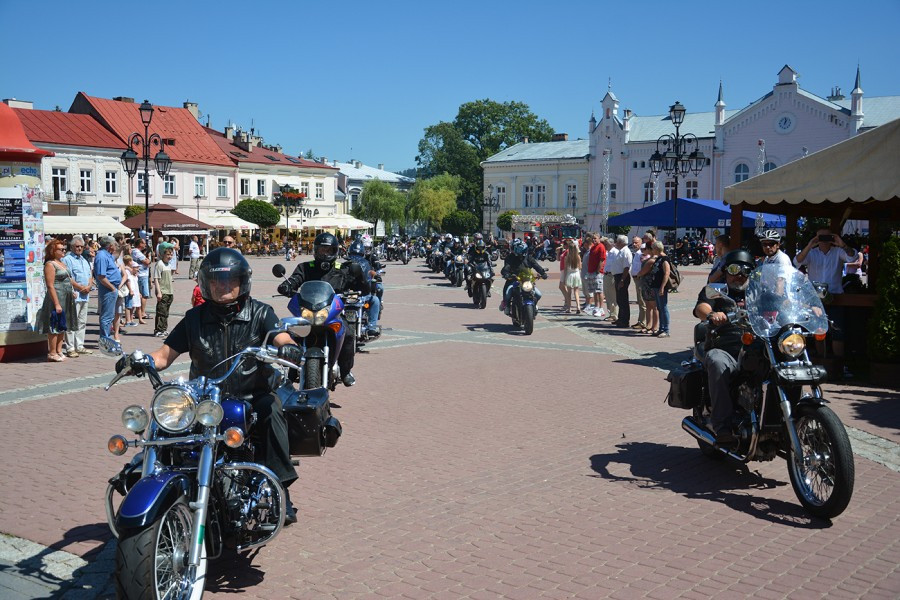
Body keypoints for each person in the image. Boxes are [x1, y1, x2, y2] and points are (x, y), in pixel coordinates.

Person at [128, 248, 302, 524]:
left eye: (229, 280)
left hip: (251, 394)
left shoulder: (260, 312)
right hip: (206, 399)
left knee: (272, 411)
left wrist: (288, 348)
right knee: (169, 425)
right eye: (216, 281)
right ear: (206, 284)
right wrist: (140, 360)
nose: (223, 286)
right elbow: (163, 356)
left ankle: (281, 490)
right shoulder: (194, 319)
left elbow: (281, 337)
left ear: (242, 282)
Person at [277, 232, 370, 387]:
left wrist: (360, 276)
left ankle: (345, 371)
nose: (325, 253)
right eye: (322, 250)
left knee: (348, 334)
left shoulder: (342, 269)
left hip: (332, 314)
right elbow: (295, 279)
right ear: (316, 250)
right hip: (307, 313)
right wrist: (287, 285)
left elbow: (362, 288)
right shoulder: (305, 267)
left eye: (329, 250)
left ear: (335, 251)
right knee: (291, 333)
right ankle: (292, 370)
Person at [693, 249, 755, 444]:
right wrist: (712, 315)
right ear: (726, 271)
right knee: (717, 363)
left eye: (745, 270)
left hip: (756, 347)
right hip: (725, 347)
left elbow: (781, 303)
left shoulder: (759, 292)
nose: (739, 275)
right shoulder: (716, 290)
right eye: (734, 270)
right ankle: (722, 426)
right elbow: (701, 308)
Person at [793, 228, 859, 361]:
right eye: (820, 238)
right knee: (819, 332)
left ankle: (838, 363)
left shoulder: (838, 252)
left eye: (827, 237)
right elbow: (796, 261)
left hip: (836, 297)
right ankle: (821, 361)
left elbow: (853, 257)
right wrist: (810, 245)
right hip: (816, 299)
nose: (823, 241)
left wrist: (842, 244)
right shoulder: (812, 253)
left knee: (838, 332)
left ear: (832, 238)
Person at [35, 239, 76, 362]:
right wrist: (57, 303)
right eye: (61, 249)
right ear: (53, 251)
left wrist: (74, 290)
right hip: (57, 296)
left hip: (66, 296)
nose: (64, 251)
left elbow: (68, 279)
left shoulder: (61, 263)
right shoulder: (50, 264)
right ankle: (52, 353)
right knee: (55, 324)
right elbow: (50, 285)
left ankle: (59, 350)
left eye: (64, 249)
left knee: (63, 323)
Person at [61, 236, 94, 357]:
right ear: (72, 247)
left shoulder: (84, 260)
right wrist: (80, 288)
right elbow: (68, 277)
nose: (79, 248)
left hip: (85, 295)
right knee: (71, 322)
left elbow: (90, 275)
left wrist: (89, 286)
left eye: (81, 246)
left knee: (82, 321)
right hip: (74, 294)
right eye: (77, 246)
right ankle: (70, 348)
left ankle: (79, 345)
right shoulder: (67, 259)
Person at [499, 240, 548, 314]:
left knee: (538, 294)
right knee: (508, 293)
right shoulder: (510, 257)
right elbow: (506, 267)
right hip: (514, 280)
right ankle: (507, 305)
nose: (513, 250)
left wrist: (543, 273)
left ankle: (534, 305)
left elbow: (536, 265)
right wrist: (506, 274)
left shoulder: (528, 257)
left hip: (527, 280)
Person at [347, 240, 382, 337]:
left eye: (357, 255)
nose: (355, 257)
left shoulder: (366, 263)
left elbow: (371, 272)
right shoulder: (345, 265)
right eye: (354, 255)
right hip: (349, 295)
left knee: (375, 299)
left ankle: (371, 327)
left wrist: (376, 276)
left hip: (360, 294)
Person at [94, 236, 122, 340]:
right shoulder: (101, 256)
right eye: (115, 244)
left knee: (110, 316)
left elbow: (116, 255)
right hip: (108, 289)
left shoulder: (108, 255)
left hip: (112, 288)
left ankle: (106, 339)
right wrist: (112, 288)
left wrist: (122, 247)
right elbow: (101, 276)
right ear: (110, 245)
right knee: (106, 316)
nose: (116, 246)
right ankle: (105, 340)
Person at [648, 241, 672, 338]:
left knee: (663, 307)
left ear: (657, 249)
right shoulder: (658, 258)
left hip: (661, 287)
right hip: (656, 286)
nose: (652, 250)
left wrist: (662, 287)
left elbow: (667, 273)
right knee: (659, 308)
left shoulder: (665, 259)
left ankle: (666, 330)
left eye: (653, 248)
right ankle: (661, 328)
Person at [152, 244, 175, 338]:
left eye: (171, 255)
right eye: (168, 254)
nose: (170, 256)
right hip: (163, 291)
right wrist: (159, 292)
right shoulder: (160, 264)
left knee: (166, 312)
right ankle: (158, 329)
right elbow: (156, 279)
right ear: (163, 255)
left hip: (169, 291)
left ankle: (164, 329)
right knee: (161, 311)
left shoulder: (168, 265)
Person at [610, 235, 633, 327]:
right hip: (618, 276)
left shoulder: (626, 252)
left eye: (617, 242)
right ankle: (621, 318)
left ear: (621, 243)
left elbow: (626, 267)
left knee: (623, 300)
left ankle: (625, 321)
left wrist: (622, 280)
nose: (616, 243)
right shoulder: (621, 251)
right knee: (619, 299)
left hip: (622, 276)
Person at [131, 238, 152, 324]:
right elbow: (147, 262)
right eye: (143, 243)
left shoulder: (134, 251)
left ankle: (138, 312)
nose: (145, 245)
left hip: (141, 274)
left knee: (140, 294)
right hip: (142, 275)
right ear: (140, 244)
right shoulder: (137, 252)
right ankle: (142, 312)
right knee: (145, 294)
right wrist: (148, 258)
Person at [586, 234, 607, 317]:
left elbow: (602, 259)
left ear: (599, 238)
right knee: (594, 291)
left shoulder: (601, 247)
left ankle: (601, 309)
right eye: (593, 238)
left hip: (597, 272)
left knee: (599, 291)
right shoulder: (593, 247)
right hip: (591, 272)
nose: (594, 240)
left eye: (595, 238)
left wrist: (598, 270)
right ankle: (596, 307)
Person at [629, 236, 647, 330]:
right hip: (636, 279)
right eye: (633, 242)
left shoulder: (642, 254)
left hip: (640, 279)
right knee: (640, 301)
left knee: (642, 301)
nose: (634, 244)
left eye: (636, 243)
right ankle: (640, 320)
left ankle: (643, 322)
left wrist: (639, 274)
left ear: (641, 243)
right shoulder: (636, 253)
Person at [562, 239, 583, 314]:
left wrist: (564, 278)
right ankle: (578, 307)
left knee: (569, 292)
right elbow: (580, 267)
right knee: (576, 292)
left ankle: (569, 308)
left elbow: (565, 269)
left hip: (569, 274)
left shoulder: (567, 257)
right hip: (576, 274)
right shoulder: (578, 257)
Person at [601, 237, 618, 321]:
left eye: (607, 244)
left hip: (612, 275)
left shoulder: (615, 252)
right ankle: (611, 313)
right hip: (606, 275)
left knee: (612, 296)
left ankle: (614, 314)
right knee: (607, 295)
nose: (605, 246)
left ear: (612, 244)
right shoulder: (608, 253)